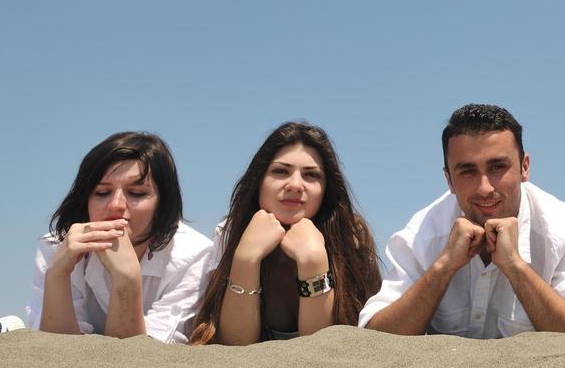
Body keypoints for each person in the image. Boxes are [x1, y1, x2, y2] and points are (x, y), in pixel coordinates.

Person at [361, 104, 565, 337]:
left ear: (524, 167)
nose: (484, 188)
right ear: (449, 179)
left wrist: (516, 267)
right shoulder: (423, 234)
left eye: (497, 167)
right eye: (468, 171)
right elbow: (374, 337)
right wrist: (443, 267)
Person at [189, 122, 382, 344]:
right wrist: (246, 258)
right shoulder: (229, 232)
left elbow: (323, 352)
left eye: (311, 175)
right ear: (259, 181)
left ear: (326, 190)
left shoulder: (351, 237)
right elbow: (235, 346)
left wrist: (313, 261)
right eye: (280, 171)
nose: (295, 185)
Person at [24, 131, 210, 342]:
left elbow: (139, 358)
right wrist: (58, 274)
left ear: (162, 203)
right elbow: (55, 351)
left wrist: (127, 278)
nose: (116, 206)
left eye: (137, 193)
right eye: (102, 193)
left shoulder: (194, 255)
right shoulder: (57, 246)